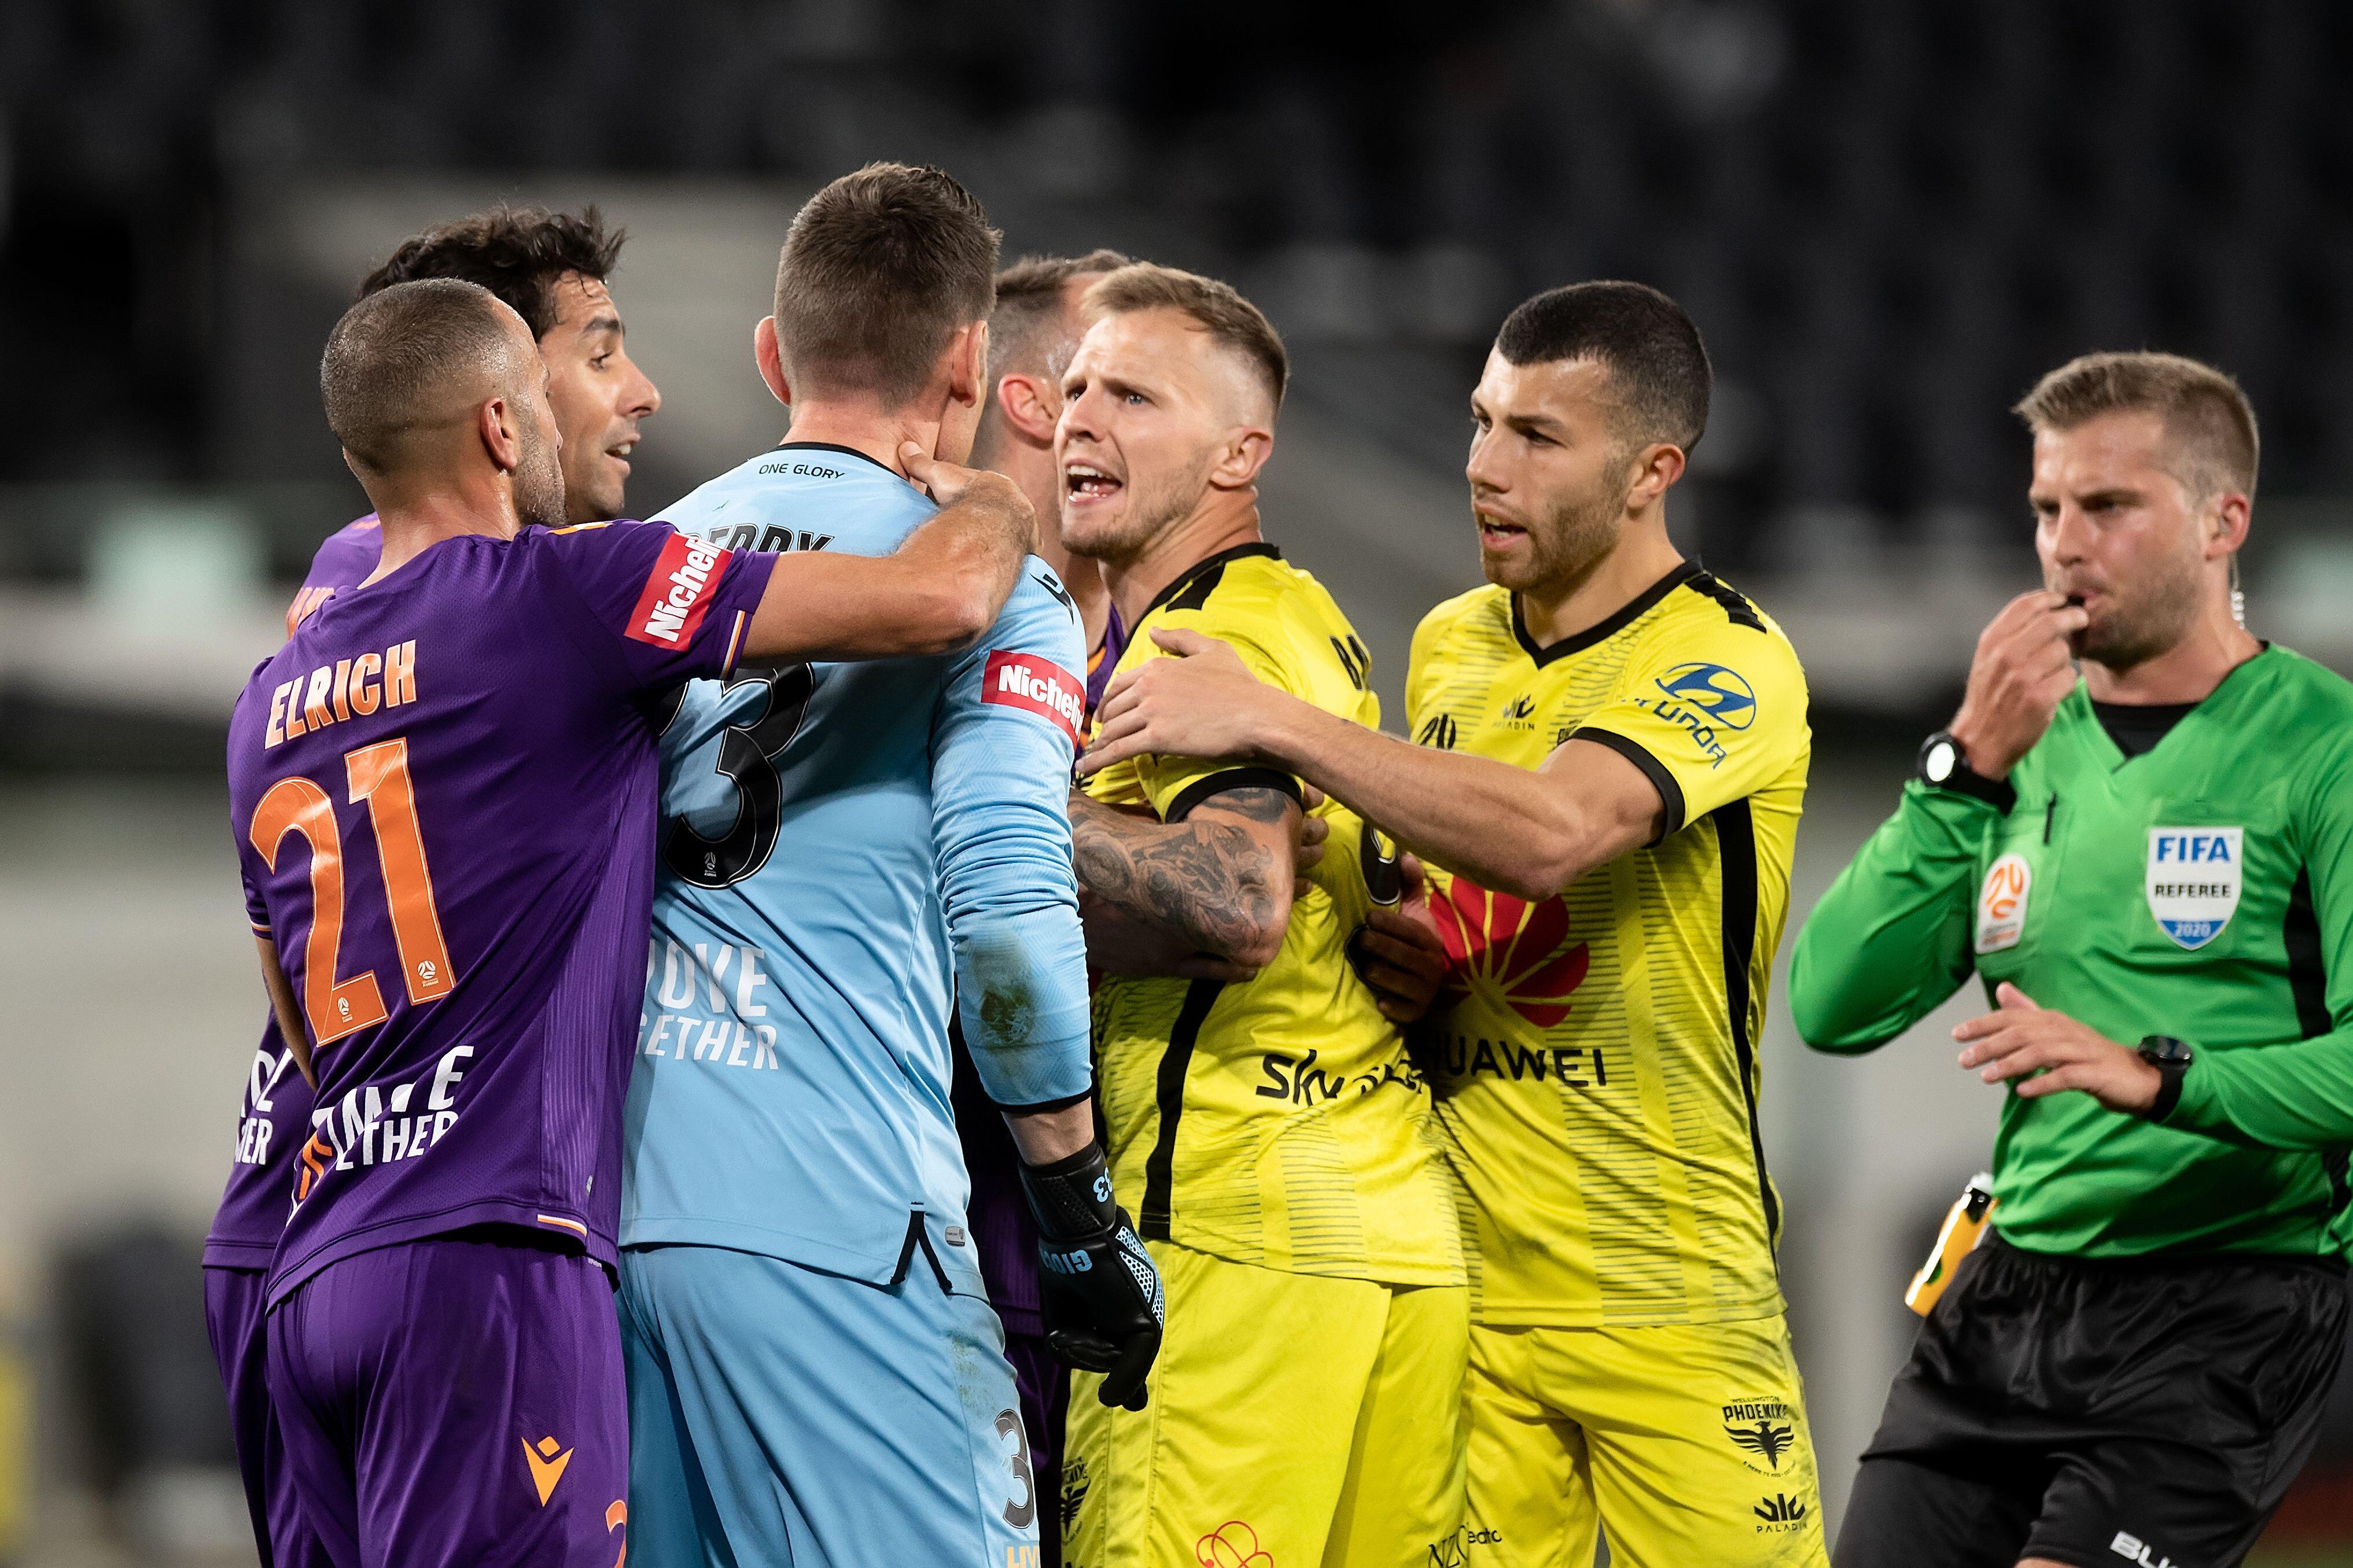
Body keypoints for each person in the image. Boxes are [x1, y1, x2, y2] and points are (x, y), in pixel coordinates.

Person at [230, 276, 1036, 1567]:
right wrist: (998, 498)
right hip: (493, 1260)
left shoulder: (273, 697)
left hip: (318, 1271)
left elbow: (296, 1010)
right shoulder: (561, 595)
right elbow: (937, 604)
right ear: (504, 428)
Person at [1082, 281, 1826, 1567]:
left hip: (1671, 1289)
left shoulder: (1731, 658)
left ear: (1654, 470)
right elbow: (1449, 867)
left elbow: (1550, 836)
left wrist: (1276, 719)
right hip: (1473, 1282)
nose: (1484, 468)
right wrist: (1413, 942)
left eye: (1538, 439)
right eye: (1482, 422)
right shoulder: (1452, 646)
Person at [615, 165, 1163, 1568]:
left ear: (768, 351)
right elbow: (1007, 917)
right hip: (846, 1219)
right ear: (973, 363)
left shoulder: (636, 563)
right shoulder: (990, 580)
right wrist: (1072, 1210)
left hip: (620, 1223)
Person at [1792, 352, 2353, 1568]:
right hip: (2008, 1293)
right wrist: (1962, 765)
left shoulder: (2324, 749)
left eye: (2108, 506)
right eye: (2047, 509)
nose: (2064, 543)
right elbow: (1831, 1004)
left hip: (2224, 1304)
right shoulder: (2014, 751)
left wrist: (2160, 1075)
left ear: (2223, 523)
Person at [201, 203, 662, 1568]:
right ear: (498, 400)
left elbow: (283, 962)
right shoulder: (541, 599)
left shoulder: (347, 585)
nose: (636, 393)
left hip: (294, 1218)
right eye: (595, 354)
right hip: (465, 1244)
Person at [1059, 263, 1468, 1568]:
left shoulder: (1206, 640)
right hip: (1386, 1239)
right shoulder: (1303, 620)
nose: (1082, 418)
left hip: (1235, 1237)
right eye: (1074, 388)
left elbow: (1238, 902)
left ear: (1244, 451)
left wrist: (981, 821)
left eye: (1132, 393)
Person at [952, 244, 1134, 1568]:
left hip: (1098, 1263)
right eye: (1116, 380)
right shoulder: (935, 618)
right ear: (1033, 403)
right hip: (962, 1238)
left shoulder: (1159, 648)